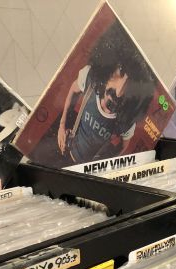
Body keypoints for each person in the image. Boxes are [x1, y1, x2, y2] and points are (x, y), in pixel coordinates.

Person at [38, 23, 155, 166]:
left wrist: (102, 166)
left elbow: (122, 147)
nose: (119, 92)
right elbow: (73, 89)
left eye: (131, 84)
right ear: (111, 62)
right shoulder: (90, 78)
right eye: (121, 70)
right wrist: (62, 126)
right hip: (64, 152)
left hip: (84, 171)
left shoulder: (126, 121)